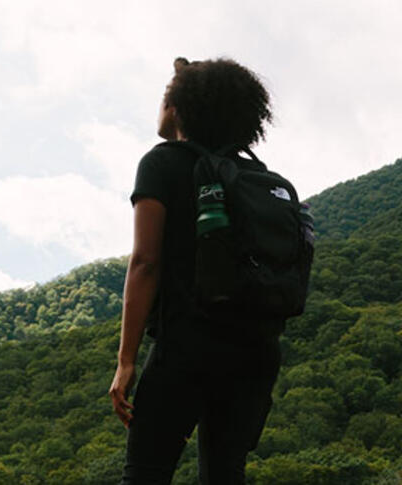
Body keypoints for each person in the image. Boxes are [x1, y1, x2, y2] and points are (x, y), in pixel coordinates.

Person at [109, 57, 281, 484]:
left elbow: (146, 262)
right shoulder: (255, 175)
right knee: (224, 477)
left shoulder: (163, 163)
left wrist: (126, 360)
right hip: (253, 355)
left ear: (178, 108)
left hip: (185, 348)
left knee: (146, 474)